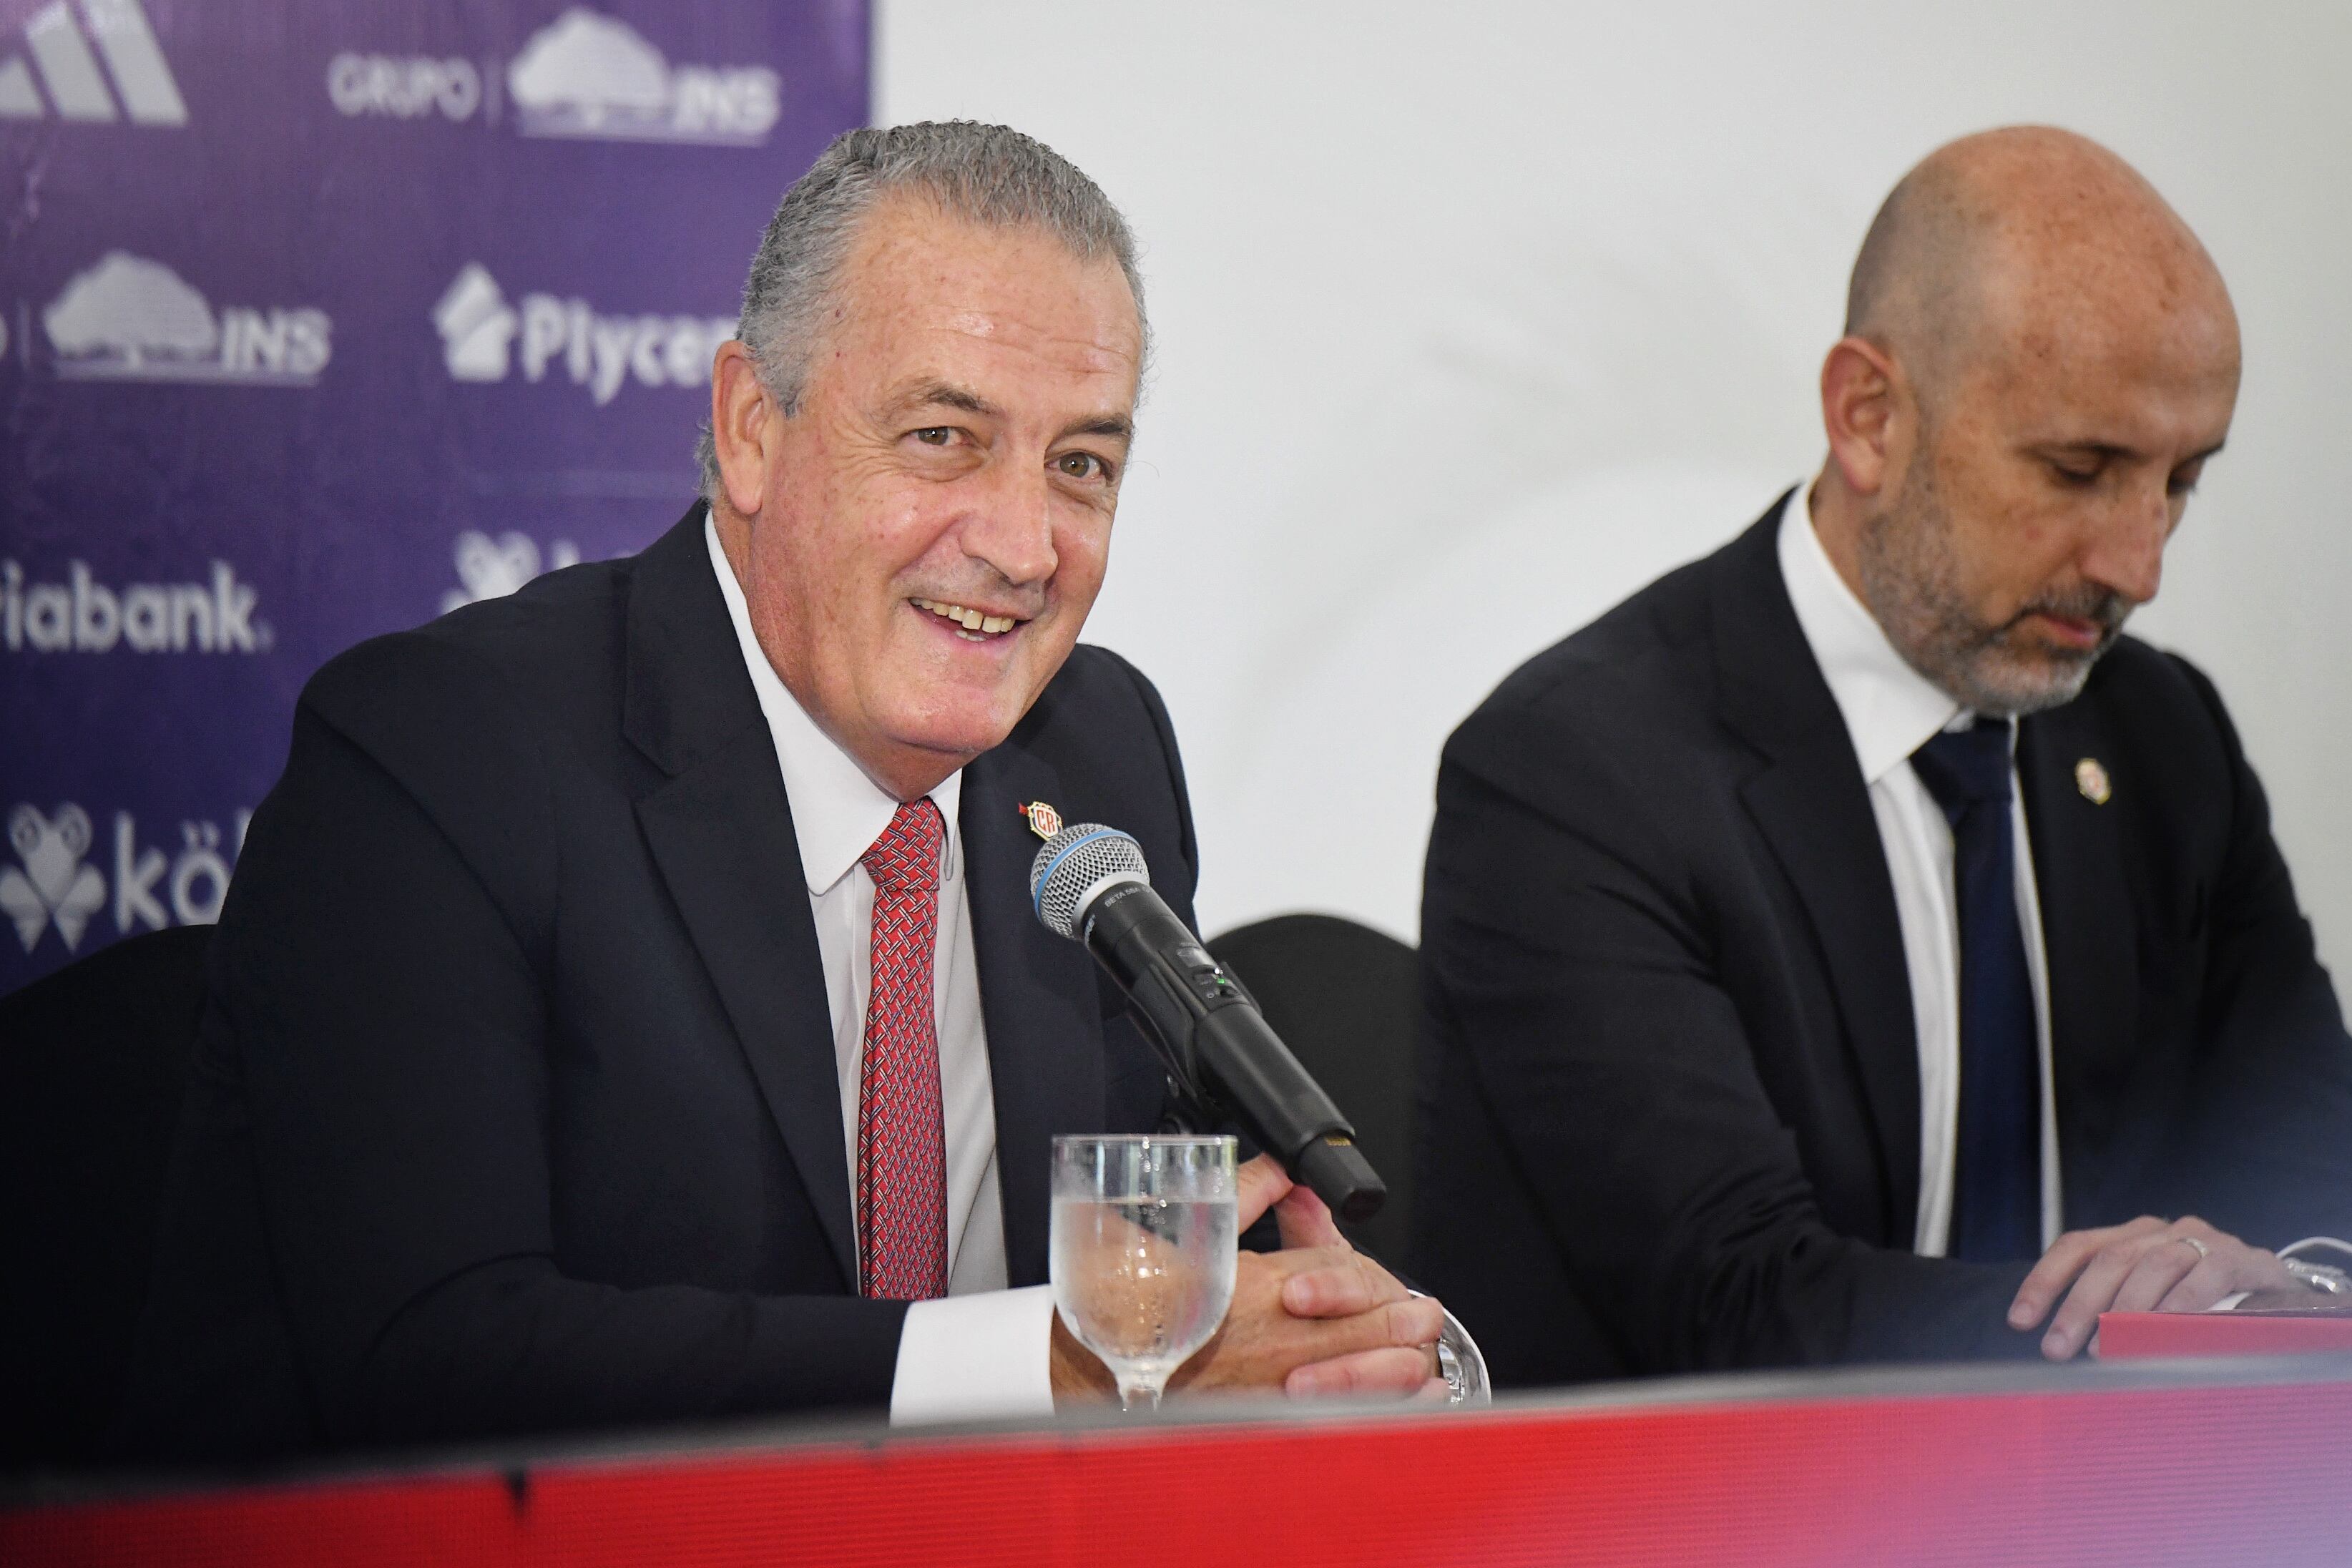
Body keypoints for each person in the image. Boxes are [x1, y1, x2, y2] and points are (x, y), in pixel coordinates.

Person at [116, 122, 1455, 1461]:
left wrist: (1326, 1340)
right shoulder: (445, 756)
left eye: (1081, 465)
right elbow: (440, 1360)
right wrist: (1062, 1364)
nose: (1023, 544)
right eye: (943, 438)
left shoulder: (1097, 752)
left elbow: (1158, 1294)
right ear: (754, 429)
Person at [1415, 126, 2352, 1386]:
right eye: (2080, 470)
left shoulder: (2162, 737)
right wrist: (2168, 1341)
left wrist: (2300, 1287)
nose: (2141, 563)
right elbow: (1741, 1304)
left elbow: (2313, 1161)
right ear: (1869, 415)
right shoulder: (1573, 777)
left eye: (2182, 482)